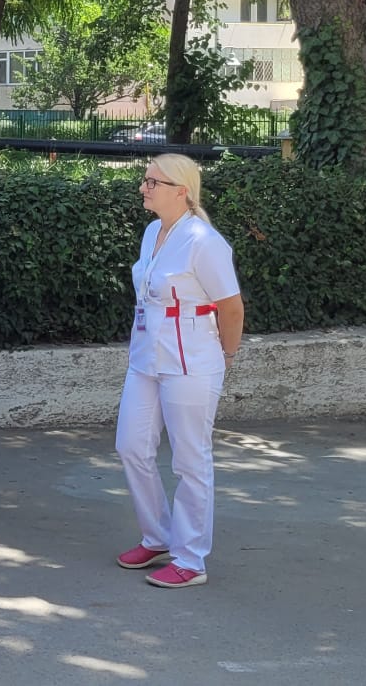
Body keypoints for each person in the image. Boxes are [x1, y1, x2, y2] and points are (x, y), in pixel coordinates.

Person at [117, 154, 245, 590]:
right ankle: (157, 537)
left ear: (182, 191)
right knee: (131, 445)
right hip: (146, 357)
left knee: (190, 459)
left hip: (192, 360)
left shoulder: (204, 241)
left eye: (154, 181)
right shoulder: (152, 232)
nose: (144, 187)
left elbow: (231, 307)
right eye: (145, 179)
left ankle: (190, 559)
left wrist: (227, 355)